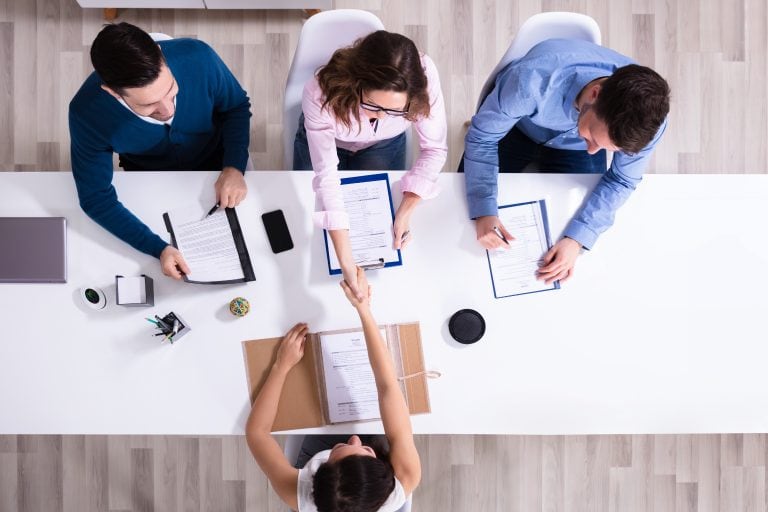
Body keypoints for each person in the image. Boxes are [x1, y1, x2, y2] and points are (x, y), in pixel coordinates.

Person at [463, 38, 670, 284]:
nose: (593, 152)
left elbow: (621, 181)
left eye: (605, 148)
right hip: (517, 128)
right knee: (463, 214)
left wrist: (576, 240)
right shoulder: (529, 83)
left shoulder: (647, 123)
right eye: (593, 136)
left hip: (571, 148)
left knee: (569, 225)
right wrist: (484, 210)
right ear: (595, 94)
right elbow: (483, 139)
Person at [69, 22, 251, 280]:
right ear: (112, 93)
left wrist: (234, 166)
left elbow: (236, 107)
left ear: (161, 54)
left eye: (170, 90)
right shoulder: (86, 114)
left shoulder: (199, 57)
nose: (168, 110)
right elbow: (96, 199)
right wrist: (158, 248)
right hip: (147, 176)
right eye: (150, 105)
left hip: (219, 160)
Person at [246, 267, 421, 512]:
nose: (355, 438)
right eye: (365, 449)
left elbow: (256, 433)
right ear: (385, 473)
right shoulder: (406, 476)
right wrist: (363, 309)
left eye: (339, 449)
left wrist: (280, 366)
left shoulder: (298, 493)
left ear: (314, 478)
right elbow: (388, 386)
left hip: (324, 455)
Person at [294, 30, 447, 299]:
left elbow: (434, 149)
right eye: (372, 105)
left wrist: (407, 210)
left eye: (395, 111)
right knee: (307, 216)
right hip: (330, 141)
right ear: (356, 82)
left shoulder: (424, 75)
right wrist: (346, 262)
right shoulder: (319, 93)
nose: (380, 117)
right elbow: (327, 176)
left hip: (384, 145)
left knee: (381, 208)